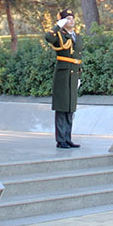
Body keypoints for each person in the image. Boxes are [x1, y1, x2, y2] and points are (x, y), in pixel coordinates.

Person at [44, 8, 83, 149]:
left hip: (73, 75)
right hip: (63, 74)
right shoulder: (59, 35)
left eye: (72, 18)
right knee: (62, 108)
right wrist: (58, 25)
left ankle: (68, 138)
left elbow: (78, 58)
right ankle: (61, 140)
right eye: (67, 18)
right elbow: (48, 38)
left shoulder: (77, 37)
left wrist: (79, 76)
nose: (71, 20)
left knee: (70, 107)